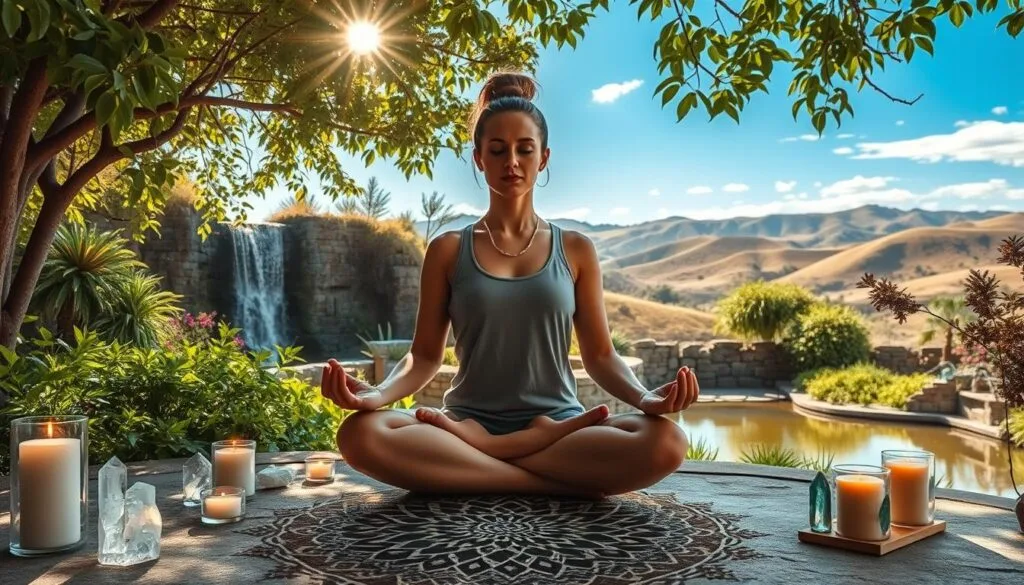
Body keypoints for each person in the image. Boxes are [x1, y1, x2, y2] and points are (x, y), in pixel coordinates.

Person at [320, 72, 699, 499]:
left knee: (665, 443)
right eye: (497, 150)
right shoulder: (447, 249)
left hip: (559, 429)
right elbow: (424, 357)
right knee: (361, 433)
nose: (511, 163)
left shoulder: (575, 249)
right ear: (479, 158)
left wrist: (646, 398)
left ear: (545, 157)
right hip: (463, 428)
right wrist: (378, 394)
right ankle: (542, 480)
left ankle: (482, 466)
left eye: (524, 150)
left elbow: (601, 355)